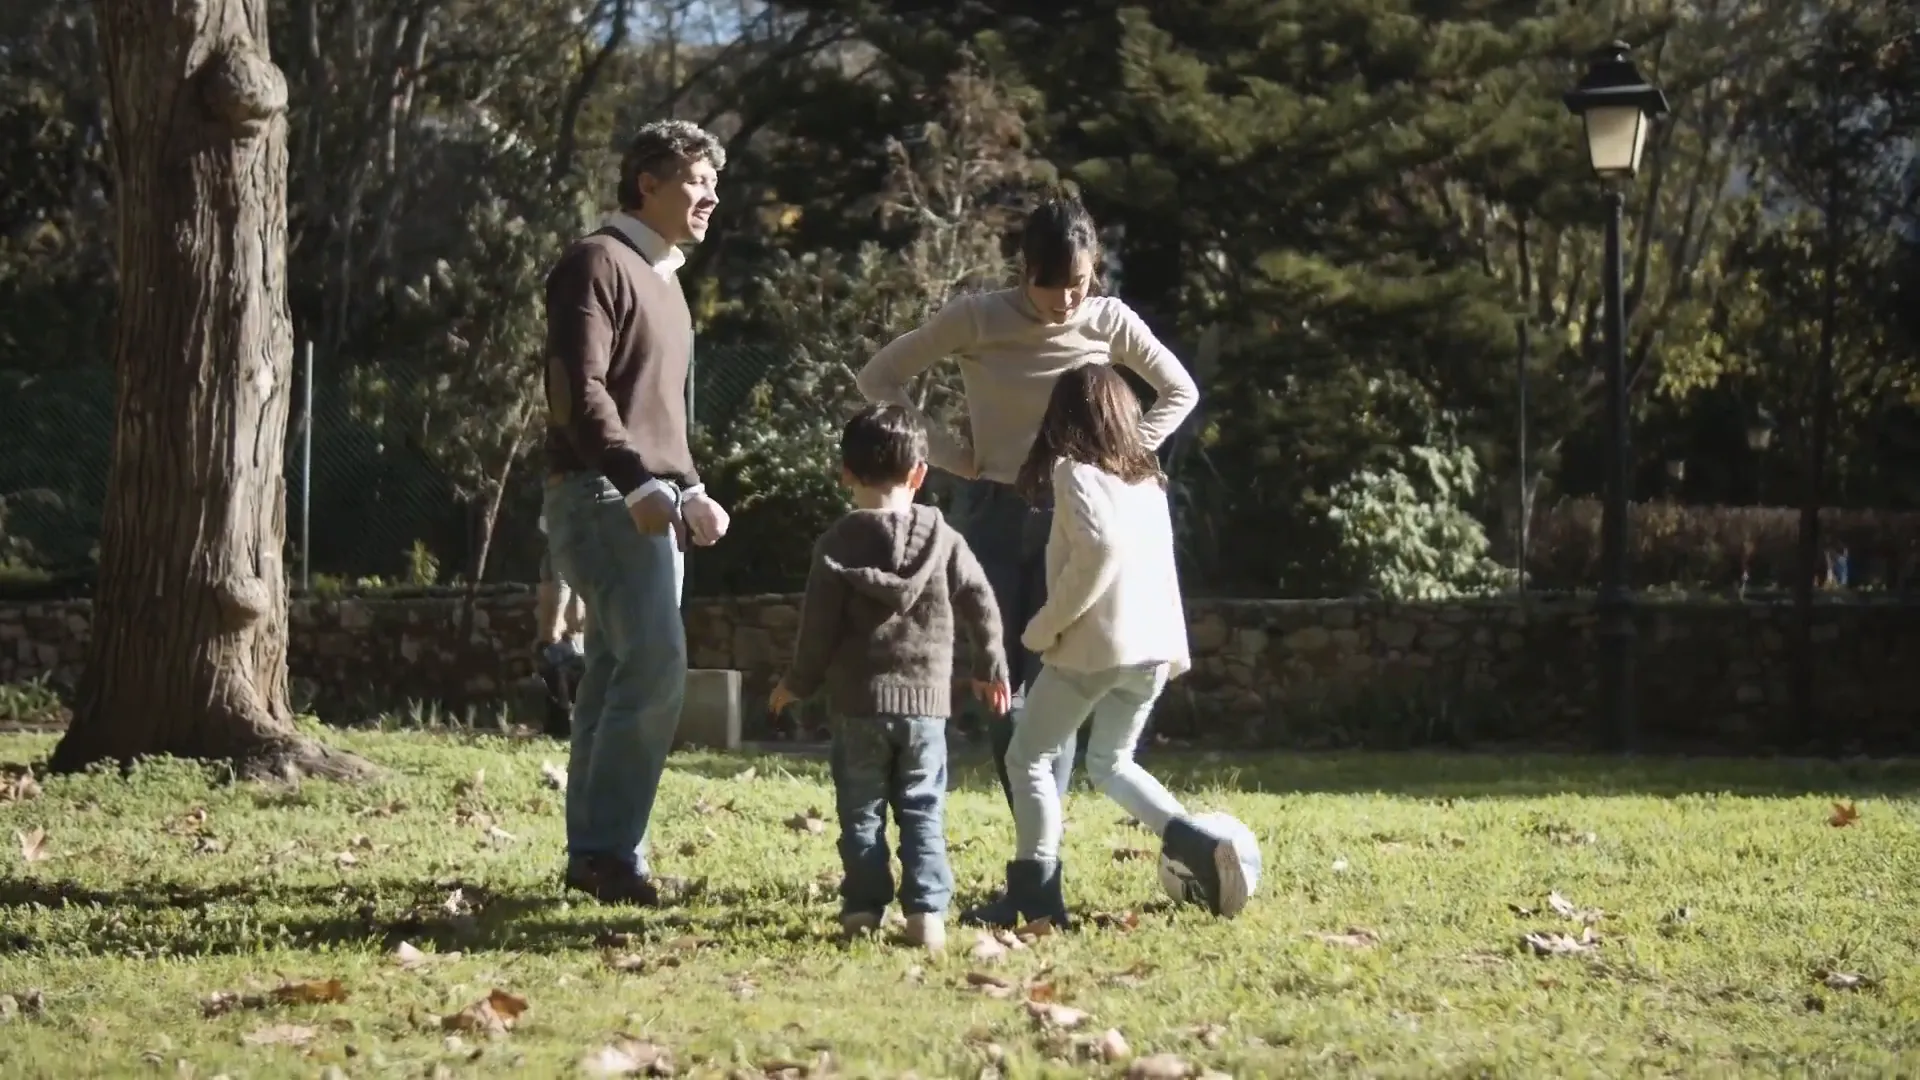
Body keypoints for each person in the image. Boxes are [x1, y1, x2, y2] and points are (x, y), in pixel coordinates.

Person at [855, 197, 1198, 811]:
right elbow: (877, 378)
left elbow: (1179, 390)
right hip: (992, 507)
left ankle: (1042, 843)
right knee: (996, 671)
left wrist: (1118, 458)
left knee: (1053, 675)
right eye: (1051, 284)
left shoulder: (1109, 321)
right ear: (1025, 268)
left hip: (1077, 511)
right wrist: (953, 454)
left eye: (1079, 283)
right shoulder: (977, 318)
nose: (1065, 300)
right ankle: (1030, 820)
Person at [963, 363, 1246, 928]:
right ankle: (1196, 843)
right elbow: (1158, 568)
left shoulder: (1073, 473)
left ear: (1061, 419)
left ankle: (1035, 895)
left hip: (1094, 650)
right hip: (1152, 651)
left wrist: (1045, 626)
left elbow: (1097, 551)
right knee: (1111, 763)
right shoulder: (1149, 481)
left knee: (1028, 757)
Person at [541, 120, 731, 905]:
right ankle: (609, 854)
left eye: (714, 182)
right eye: (694, 178)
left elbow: (658, 420)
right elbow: (576, 393)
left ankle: (597, 853)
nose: (710, 195)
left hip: (648, 500)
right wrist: (633, 480)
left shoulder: (668, 279)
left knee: (618, 673)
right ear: (644, 182)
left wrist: (690, 489)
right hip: (601, 497)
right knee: (653, 669)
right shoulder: (596, 261)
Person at [769, 404, 1011, 953]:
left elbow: (818, 631)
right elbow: (981, 600)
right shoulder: (944, 538)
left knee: (861, 810)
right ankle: (927, 915)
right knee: (923, 806)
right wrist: (988, 665)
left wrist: (797, 683)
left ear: (846, 474)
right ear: (920, 473)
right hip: (926, 708)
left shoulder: (835, 543)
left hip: (858, 705)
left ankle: (862, 910)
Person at [533, 512, 587, 738]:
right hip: (573, 627)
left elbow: (562, 587)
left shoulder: (560, 553)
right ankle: (566, 724)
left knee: (556, 669)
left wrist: (552, 627)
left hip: (565, 628)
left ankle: (563, 725)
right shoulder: (576, 551)